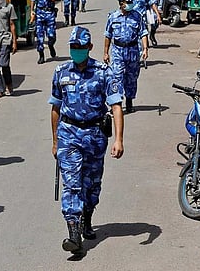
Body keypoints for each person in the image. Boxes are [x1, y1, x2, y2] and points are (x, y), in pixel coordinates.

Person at [49, 26, 124, 255]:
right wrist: (55, 141)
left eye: (81, 48)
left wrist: (118, 139)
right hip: (68, 134)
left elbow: (116, 106)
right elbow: (55, 107)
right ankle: (73, 233)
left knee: (92, 185)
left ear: (89, 48)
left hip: (94, 136)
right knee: (72, 184)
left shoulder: (103, 72)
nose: (76, 51)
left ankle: (87, 217)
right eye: (73, 48)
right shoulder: (61, 72)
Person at [104, 0, 148, 113]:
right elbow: (108, 35)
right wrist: (106, 53)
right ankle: (116, 104)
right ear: (121, 3)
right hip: (118, 50)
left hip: (133, 50)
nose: (130, 5)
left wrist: (145, 49)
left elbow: (143, 33)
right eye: (128, 2)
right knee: (116, 77)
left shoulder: (137, 16)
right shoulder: (113, 17)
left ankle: (129, 101)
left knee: (132, 77)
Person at [30, 0, 59, 64]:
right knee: (39, 36)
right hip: (40, 13)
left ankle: (51, 45)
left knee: (51, 36)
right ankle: (41, 55)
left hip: (50, 13)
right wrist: (32, 11)